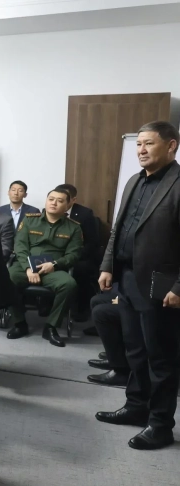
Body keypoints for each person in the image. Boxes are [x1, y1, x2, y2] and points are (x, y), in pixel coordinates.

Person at [95, 121, 180, 450]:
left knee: (161, 357)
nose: (141, 150)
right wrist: (108, 265)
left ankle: (160, 425)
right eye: (138, 144)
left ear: (171, 146)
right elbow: (119, 229)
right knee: (135, 350)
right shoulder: (133, 180)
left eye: (149, 144)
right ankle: (136, 407)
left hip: (162, 283)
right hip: (127, 278)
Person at [6, 189, 83, 347]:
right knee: (7, 278)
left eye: (60, 201)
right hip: (25, 266)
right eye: (51, 199)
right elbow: (20, 247)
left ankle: (51, 327)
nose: (54, 203)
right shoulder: (30, 220)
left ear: (67, 205)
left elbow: (73, 254)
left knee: (69, 284)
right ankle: (19, 323)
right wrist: (28, 268)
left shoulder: (74, 227)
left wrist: (55, 264)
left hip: (53, 269)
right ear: (46, 201)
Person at [56, 183, 100, 319]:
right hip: (55, 254)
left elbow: (92, 242)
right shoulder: (50, 210)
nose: (58, 201)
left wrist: (73, 256)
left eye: (64, 198)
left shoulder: (85, 214)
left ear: (73, 199)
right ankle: (47, 305)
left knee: (81, 270)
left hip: (79, 255)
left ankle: (80, 309)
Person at [87, 291, 129, 386]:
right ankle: (116, 357)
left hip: (135, 301)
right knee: (96, 300)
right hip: (126, 296)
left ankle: (121, 371)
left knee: (100, 313)